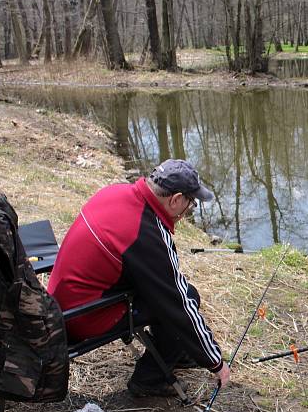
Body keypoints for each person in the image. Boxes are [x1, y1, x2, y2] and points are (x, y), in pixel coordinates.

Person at [48, 159, 230, 396]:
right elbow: (178, 303)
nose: (188, 210)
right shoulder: (146, 233)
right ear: (175, 200)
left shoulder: (115, 192)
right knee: (185, 297)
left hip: (61, 302)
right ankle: (150, 379)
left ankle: (178, 352)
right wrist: (215, 361)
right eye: (190, 203)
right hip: (82, 317)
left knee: (167, 292)